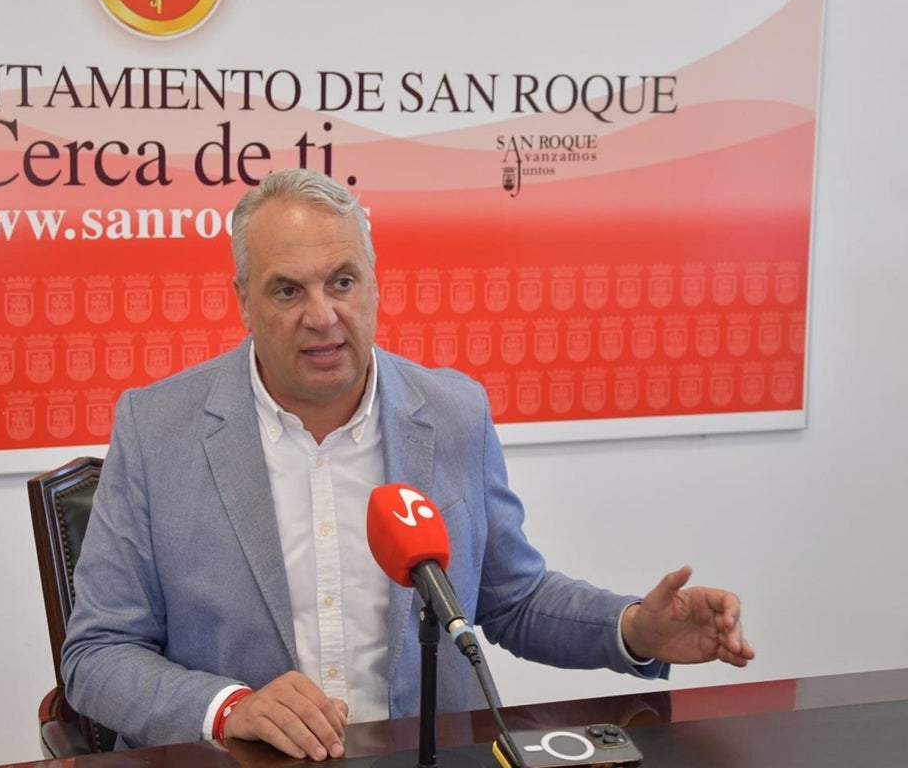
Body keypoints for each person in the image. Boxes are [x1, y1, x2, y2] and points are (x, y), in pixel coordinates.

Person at [61, 168, 755, 760]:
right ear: (242, 300)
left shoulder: (452, 413)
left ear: (375, 285)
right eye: (287, 290)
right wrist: (226, 707)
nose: (323, 315)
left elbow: (509, 597)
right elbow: (97, 656)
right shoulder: (158, 429)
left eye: (342, 281)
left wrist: (633, 628)